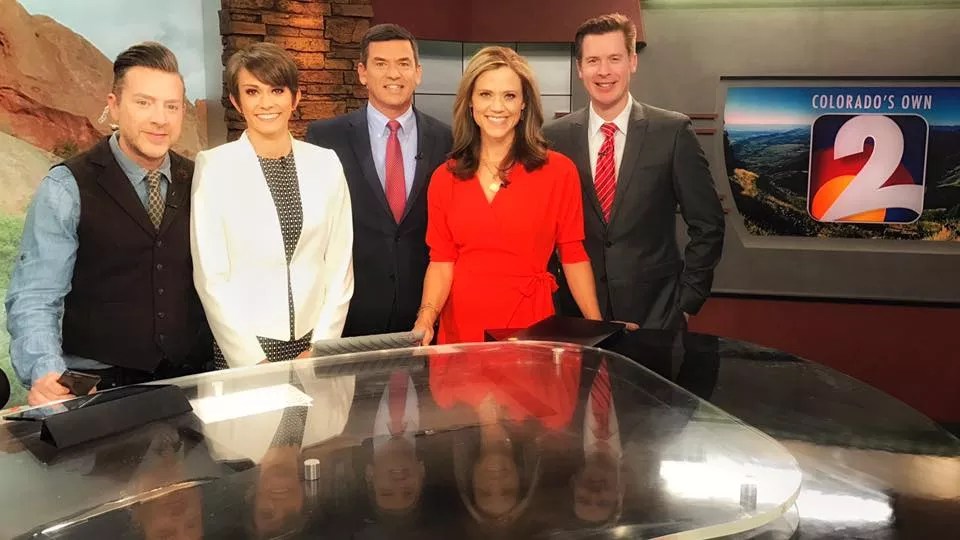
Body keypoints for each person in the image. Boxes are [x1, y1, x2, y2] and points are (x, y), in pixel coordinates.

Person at [5, 42, 211, 406]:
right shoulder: (67, 186)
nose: (160, 119)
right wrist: (45, 372)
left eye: (172, 106)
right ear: (114, 106)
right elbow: (36, 296)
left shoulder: (202, 180)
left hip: (192, 383)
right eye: (144, 103)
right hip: (98, 390)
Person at [543, 13, 725, 331]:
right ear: (580, 68)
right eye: (593, 60)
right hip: (576, 314)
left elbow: (708, 224)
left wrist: (686, 303)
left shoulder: (672, 131)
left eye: (614, 58)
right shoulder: (553, 138)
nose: (604, 71)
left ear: (632, 61)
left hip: (656, 314)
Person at [413, 46, 602, 345]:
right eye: (486, 94)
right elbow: (441, 262)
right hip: (461, 329)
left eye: (510, 96)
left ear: (524, 104)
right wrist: (426, 317)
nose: (497, 107)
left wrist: (598, 329)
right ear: (470, 102)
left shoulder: (559, 172)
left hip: (530, 328)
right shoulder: (444, 178)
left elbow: (573, 255)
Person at [191, 42, 353, 367]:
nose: (266, 103)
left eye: (277, 90)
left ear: (295, 98)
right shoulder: (214, 167)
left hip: (313, 342)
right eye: (252, 92)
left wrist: (322, 346)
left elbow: (340, 265)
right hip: (246, 347)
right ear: (237, 102)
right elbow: (211, 277)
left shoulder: (326, 163)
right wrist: (252, 360)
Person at [306, 24, 453, 338]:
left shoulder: (447, 139)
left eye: (403, 63)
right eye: (381, 63)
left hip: (425, 313)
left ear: (418, 72)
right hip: (350, 313)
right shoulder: (325, 138)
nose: (394, 74)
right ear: (362, 72)